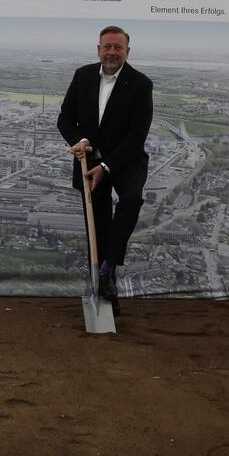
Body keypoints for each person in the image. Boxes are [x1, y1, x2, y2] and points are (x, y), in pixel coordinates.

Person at [57, 25, 154, 315]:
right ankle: (102, 285)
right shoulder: (82, 76)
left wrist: (108, 166)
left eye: (118, 47)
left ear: (127, 51)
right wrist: (80, 141)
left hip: (126, 161)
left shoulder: (140, 84)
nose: (112, 52)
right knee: (97, 226)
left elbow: (138, 133)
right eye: (107, 46)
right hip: (89, 161)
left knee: (131, 200)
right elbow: (65, 118)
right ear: (98, 49)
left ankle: (108, 266)